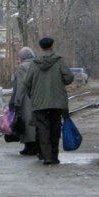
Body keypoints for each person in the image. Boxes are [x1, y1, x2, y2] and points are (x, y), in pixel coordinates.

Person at [23, 37, 74, 165]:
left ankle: (47, 157)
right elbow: (69, 78)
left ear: (41, 48)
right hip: (57, 102)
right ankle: (54, 155)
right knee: (55, 128)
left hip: (39, 103)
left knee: (42, 129)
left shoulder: (35, 63)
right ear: (52, 47)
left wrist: (33, 95)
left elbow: (26, 82)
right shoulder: (59, 61)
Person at [9, 46, 38, 155]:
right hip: (36, 97)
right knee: (35, 123)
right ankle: (36, 145)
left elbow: (20, 86)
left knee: (26, 123)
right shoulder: (37, 65)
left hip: (26, 99)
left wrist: (17, 101)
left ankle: (29, 147)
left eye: (19, 57)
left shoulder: (22, 68)